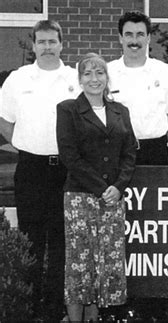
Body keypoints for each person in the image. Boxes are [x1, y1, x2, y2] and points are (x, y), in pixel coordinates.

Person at [0, 20, 80, 320]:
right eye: (42, 42)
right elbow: (4, 121)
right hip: (31, 168)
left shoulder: (75, 78)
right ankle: (30, 309)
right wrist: (26, 144)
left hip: (66, 170)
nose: (47, 47)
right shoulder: (17, 80)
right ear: (33, 45)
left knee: (61, 242)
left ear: (61, 44)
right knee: (31, 238)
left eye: (52, 41)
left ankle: (54, 308)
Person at [56, 53, 137, 322]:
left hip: (113, 197)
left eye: (99, 73)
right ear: (79, 79)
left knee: (106, 261)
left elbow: (129, 154)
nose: (94, 79)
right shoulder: (67, 109)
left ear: (107, 78)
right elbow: (70, 156)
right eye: (88, 73)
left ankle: (94, 318)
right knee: (80, 263)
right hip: (80, 196)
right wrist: (102, 188)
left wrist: (119, 186)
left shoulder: (120, 110)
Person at [108, 11, 168, 165]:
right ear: (120, 38)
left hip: (155, 151)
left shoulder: (165, 72)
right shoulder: (107, 73)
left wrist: (158, 142)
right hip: (118, 152)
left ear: (148, 38)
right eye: (129, 34)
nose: (134, 41)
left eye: (140, 34)